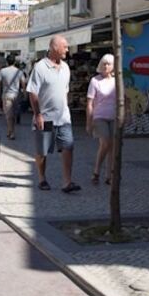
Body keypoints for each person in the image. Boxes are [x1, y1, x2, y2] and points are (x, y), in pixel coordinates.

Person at [27, 35, 80, 193]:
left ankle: (67, 182)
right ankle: (42, 178)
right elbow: (33, 92)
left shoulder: (66, 67)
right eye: (65, 46)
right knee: (42, 151)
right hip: (45, 117)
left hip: (64, 117)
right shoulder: (40, 67)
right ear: (54, 47)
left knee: (68, 147)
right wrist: (38, 114)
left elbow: (65, 91)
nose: (67, 49)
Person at [86, 53, 116, 184]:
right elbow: (89, 103)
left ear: (113, 66)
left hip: (114, 116)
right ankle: (96, 170)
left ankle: (109, 175)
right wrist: (89, 122)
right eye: (104, 63)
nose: (106, 66)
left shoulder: (117, 81)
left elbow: (124, 99)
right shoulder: (95, 81)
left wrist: (127, 114)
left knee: (113, 147)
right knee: (105, 143)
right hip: (99, 116)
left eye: (109, 63)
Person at [0, 55, 26, 140]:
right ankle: (10, 131)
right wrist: (25, 94)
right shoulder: (19, 72)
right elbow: (23, 84)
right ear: (14, 62)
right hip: (16, 95)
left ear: (7, 62)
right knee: (13, 114)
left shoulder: (3, 71)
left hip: (7, 95)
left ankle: (11, 133)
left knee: (8, 115)